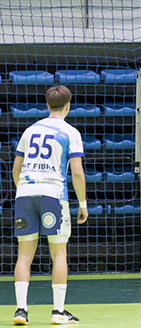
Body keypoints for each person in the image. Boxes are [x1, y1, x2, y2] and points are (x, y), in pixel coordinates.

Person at [12, 86, 89, 325]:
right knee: (58, 253)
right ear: (68, 105)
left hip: (24, 194)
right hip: (53, 195)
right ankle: (58, 311)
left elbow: (16, 169)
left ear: (47, 105)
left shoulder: (29, 130)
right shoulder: (70, 132)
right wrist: (83, 203)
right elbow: (76, 172)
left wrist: (24, 190)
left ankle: (21, 311)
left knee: (24, 254)